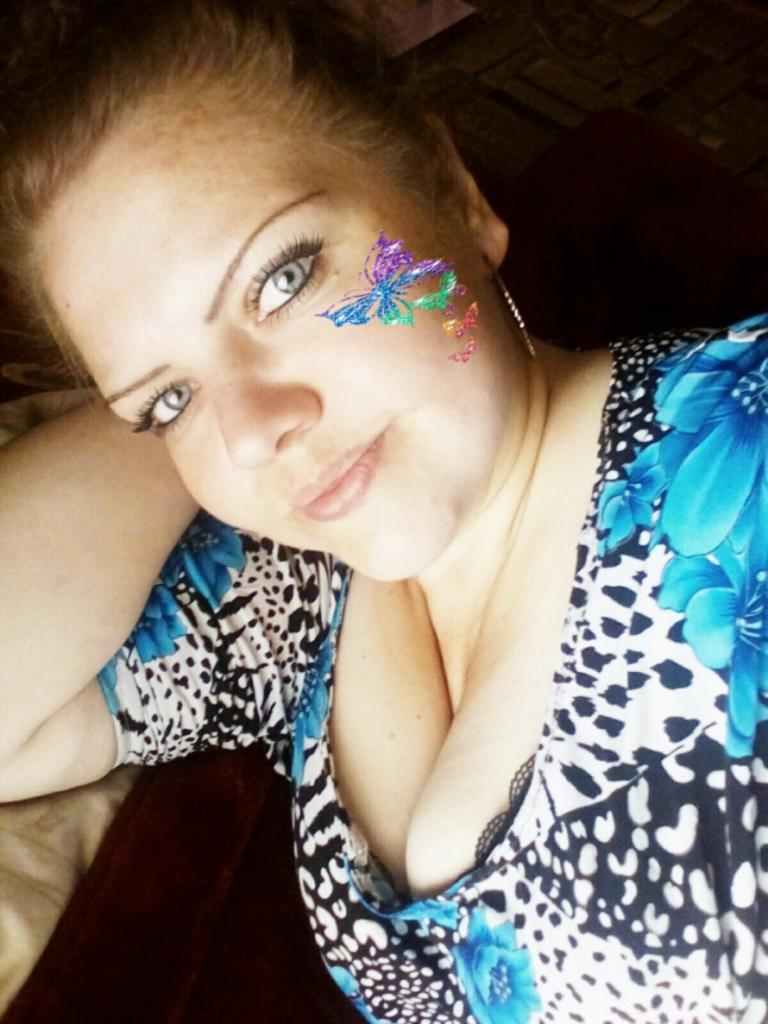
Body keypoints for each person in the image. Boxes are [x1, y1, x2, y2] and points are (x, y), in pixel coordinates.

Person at [0, 1, 765, 1021]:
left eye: (283, 275)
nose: (255, 432)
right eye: (164, 404)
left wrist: (188, 371)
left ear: (453, 194)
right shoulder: (291, 601)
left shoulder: (746, 446)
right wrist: (178, 379)